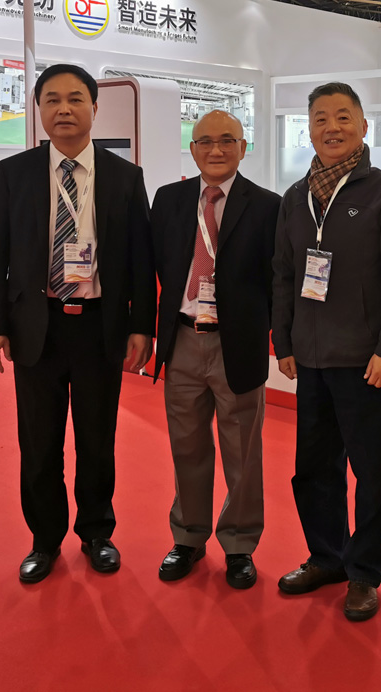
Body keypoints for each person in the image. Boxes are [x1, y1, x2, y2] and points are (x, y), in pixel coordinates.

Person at [0, 63, 156, 584]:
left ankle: (97, 533)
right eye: (52, 100)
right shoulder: (15, 172)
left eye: (76, 99)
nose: (64, 109)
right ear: (39, 109)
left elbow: (140, 260)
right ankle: (45, 539)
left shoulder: (125, 176)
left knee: (97, 440)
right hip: (38, 327)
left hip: (100, 327)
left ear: (95, 108)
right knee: (39, 443)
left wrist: (141, 325)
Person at [273, 82, 381, 622]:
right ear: (308, 129)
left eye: (342, 116)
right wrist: (283, 341)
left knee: (372, 472)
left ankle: (363, 572)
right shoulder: (295, 197)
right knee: (313, 470)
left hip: (365, 362)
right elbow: (283, 274)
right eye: (320, 118)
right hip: (310, 358)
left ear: (363, 125)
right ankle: (326, 557)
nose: (331, 127)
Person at [149, 110, 281, 589]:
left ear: (244, 148)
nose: (216, 150)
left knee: (242, 450)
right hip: (183, 337)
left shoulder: (267, 206)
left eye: (228, 140)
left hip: (236, 343)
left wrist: (276, 338)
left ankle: (240, 543)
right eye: (205, 141)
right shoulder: (168, 199)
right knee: (186, 444)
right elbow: (153, 267)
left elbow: (278, 280)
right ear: (193, 149)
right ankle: (188, 535)